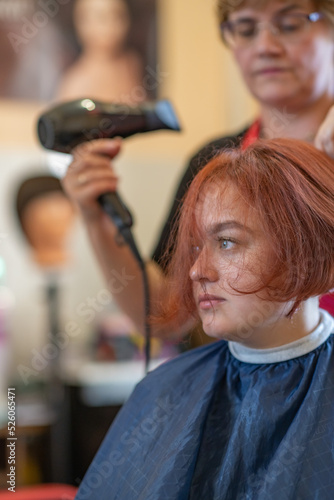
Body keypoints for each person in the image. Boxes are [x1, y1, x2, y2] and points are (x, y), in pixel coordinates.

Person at [74, 138, 334, 499]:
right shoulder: (163, 392)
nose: (197, 270)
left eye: (227, 242)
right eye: (196, 247)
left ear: (310, 249)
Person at [62, 0, 334, 340]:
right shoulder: (215, 165)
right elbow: (164, 318)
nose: (265, 46)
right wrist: (96, 217)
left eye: (291, 24)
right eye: (246, 30)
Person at [57, 0, 146, 104]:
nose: (112, 25)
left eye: (118, 16)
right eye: (102, 18)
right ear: (82, 23)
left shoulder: (132, 64)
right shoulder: (76, 83)